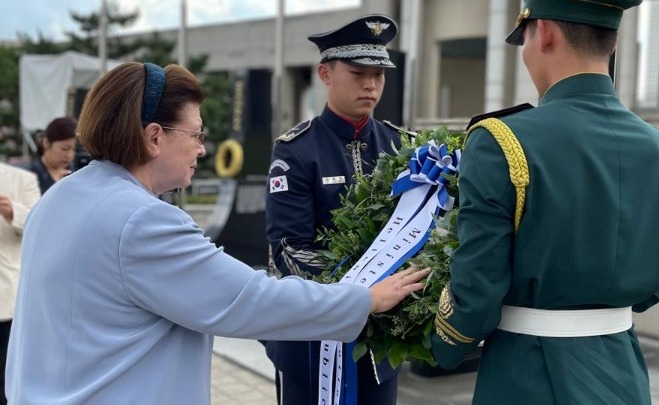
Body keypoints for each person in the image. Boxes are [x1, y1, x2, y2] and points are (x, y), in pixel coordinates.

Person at [5, 62, 428, 405]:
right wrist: (366, 298)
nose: (203, 149)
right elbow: (250, 300)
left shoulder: (60, 198)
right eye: (196, 134)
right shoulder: (141, 221)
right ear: (154, 137)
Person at [430, 1, 659, 404]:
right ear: (615, 40)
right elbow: (649, 293)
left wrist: (438, 346)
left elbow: (476, 294)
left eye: (525, 37)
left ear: (546, 32)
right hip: (624, 374)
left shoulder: (501, 141)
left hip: (528, 376)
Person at [265, 14, 405, 405]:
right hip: (311, 342)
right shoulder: (296, 150)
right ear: (325, 73)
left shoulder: (401, 145)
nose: (370, 84)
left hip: (381, 345)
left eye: (379, 74)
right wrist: (363, 295)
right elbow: (289, 249)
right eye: (358, 72)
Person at [0, 163, 40, 405]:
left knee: (6, 377)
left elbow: (40, 222)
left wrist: (13, 212)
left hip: (7, 298)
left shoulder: (21, 179)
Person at [27, 117, 77, 194]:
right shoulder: (28, 176)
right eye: (64, 149)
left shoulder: (74, 173)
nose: (69, 155)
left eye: (74, 150)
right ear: (46, 143)